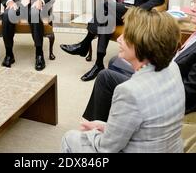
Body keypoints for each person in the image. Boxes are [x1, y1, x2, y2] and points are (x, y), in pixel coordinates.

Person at [82, 0, 196, 122]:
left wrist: (151, 78)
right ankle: (116, 120)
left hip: (165, 94)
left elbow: (188, 94)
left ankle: (97, 131)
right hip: (166, 77)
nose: (193, 8)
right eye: (194, 2)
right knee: (116, 61)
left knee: (105, 77)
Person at [61, 8, 185, 153]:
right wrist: (106, 127)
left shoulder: (130, 92)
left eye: (126, 36)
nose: (119, 39)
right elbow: (146, 126)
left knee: (70, 138)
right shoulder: (173, 67)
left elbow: (106, 148)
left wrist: (94, 133)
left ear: (141, 45)